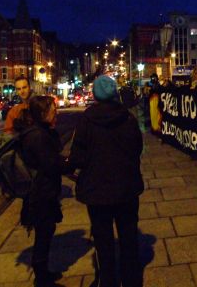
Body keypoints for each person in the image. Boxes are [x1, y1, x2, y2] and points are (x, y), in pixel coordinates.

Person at [69, 75, 144, 287]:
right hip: (126, 189)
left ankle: (108, 280)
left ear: (95, 95)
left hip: (97, 191)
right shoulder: (128, 119)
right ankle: (132, 280)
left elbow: (78, 157)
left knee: (103, 241)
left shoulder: (86, 120)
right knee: (128, 239)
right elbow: (137, 149)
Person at [15, 96, 71, 287]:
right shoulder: (38, 136)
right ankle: (41, 278)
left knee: (46, 231)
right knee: (44, 232)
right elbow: (51, 164)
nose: (56, 114)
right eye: (53, 111)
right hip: (41, 193)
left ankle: (43, 272)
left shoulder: (39, 132)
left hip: (42, 191)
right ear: (42, 114)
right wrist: (70, 164)